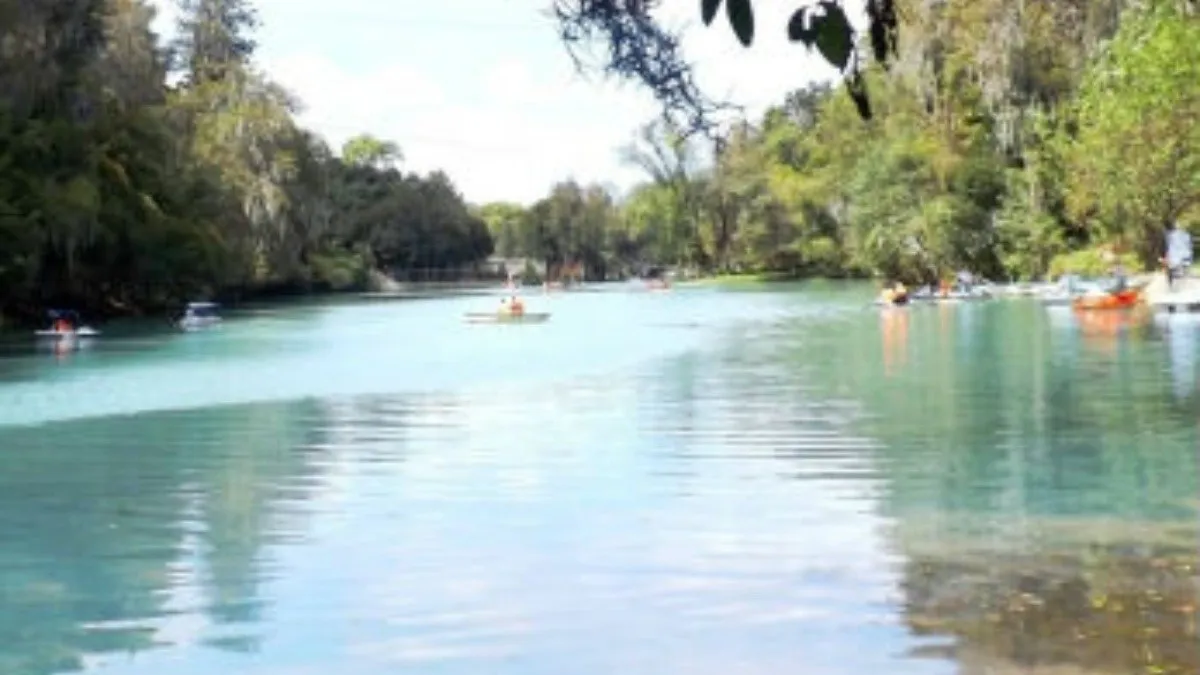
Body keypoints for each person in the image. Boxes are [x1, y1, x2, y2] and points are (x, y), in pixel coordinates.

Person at [1163, 221, 1193, 290]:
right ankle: (1174, 282)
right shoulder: (1184, 235)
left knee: (1171, 268)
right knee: (1171, 268)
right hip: (1178, 255)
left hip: (1176, 255)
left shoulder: (1171, 235)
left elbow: (1188, 246)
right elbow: (1189, 246)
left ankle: (1173, 283)